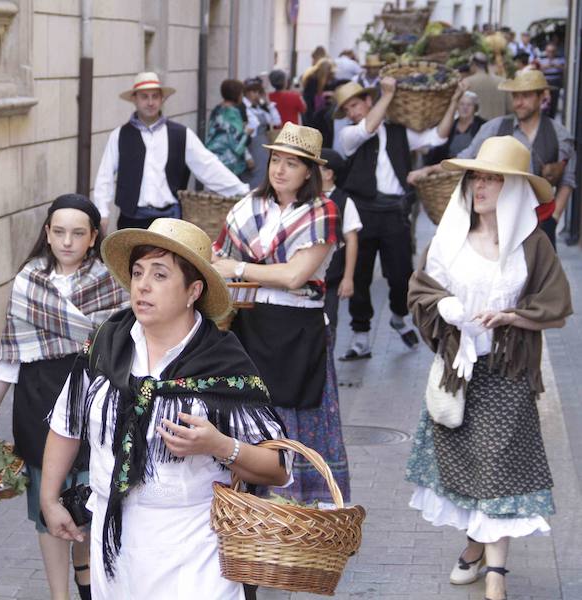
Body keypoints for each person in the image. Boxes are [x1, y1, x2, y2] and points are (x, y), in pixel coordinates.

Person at [41, 218, 292, 599]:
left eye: (160, 275)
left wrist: (220, 445)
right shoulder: (109, 344)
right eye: (138, 272)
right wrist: (48, 498)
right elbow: (67, 423)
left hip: (196, 551)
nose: (142, 285)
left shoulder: (222, 363)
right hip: (116, 547)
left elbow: (278, 467)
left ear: (193, 290)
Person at [405, 136, 572, 600]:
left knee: (501, 467)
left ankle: (496, 573)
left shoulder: (531, 245)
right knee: (470, 468)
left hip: (509, 370)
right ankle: (475, 548)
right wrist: (447, 307)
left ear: (515, 188)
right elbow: (420, 291)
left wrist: (513, 316)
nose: (480, 186)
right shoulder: (450, 236)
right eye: (476, 176)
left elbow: (554, 302)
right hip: (458, 372)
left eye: (493, 178)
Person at [0, 195, 128, 600]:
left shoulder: (111, 282)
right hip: (39, 399)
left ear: (94, 237)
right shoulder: (29, 281)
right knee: (50, 500)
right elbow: (9, 351)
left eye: (78, 233)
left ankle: (88, 579)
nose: (67, 241)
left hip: (94, 397)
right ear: (46, 233)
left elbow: (125, 346)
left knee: (89, 496)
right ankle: (59, 594)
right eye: (58, 232)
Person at [212, 123, 350, 504]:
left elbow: (295, 275)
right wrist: (233, 268)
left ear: (310, 172)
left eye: (292, 163)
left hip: (297, 329)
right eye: (276, 160)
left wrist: (240, 270)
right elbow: (216, 255)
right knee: (250, 412)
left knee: (294, 414)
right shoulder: (248, 206)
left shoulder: (323, 211)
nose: (280, 170)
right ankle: (247, 503)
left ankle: (297, 510)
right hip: (250, 324)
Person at [335, 78, 465, 361]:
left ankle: (398, 316)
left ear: (368, 101)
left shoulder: (398, 131)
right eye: (347, 109)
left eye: (355, 105)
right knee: (360, 274)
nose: (352, 112)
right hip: (362, 211)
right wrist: (388, 95)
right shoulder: (350, 135)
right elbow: (367, 128)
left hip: (394, 211)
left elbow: (437, 137)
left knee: (400, 273)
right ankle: (360, 336)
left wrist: (454, 101)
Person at [92, 72, 248, 231]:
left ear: (162, 99)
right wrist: (102, 212)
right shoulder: (120, 135)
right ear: (135, 99)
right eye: (144, 97)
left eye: (155, 96)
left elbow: (208, 166)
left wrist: (242, 191)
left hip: (170, 220)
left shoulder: (181, 134)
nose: (150, 102)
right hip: (132, 220)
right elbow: (105, 176)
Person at [456, 69, 577, 248]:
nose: (518, 103)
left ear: (542, 96)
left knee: (540, 274)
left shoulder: (559, 135)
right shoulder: (494, 128)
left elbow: (568, 179)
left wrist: (555, 216)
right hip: (499, 224)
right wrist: (431, 169)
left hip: (542, 222)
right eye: (515, 97)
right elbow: (465, 158)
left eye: (525, 96)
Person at [319, 148, 362, 351]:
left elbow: (352, 240)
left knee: (329, 323)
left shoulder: (344, 202)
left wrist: (348, 277)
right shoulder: (303, 198)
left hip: (331, 279)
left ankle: (327, 371)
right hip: (305, 279)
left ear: (328, 174)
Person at [417, 91, 487, 168]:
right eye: (461, 104)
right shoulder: (450, 125)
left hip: (471, 167)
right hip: (449, 168)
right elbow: (440, 150)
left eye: (469, 105)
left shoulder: (483, 126)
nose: (465, 108)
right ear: (457, 107)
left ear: (475, 108)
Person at [205, 79, 253, 179]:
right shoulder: (233, 113)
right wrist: (247, 133)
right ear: (237, 94)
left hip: (213, 159)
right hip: (229, 162)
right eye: (241, 93)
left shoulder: (217, 109)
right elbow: (237, 143)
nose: (242, 96)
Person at [242, 77, 282, 188]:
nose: (256, 95)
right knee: (251, 178)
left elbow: (276, 121)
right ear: (246, 93)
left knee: (264, 176)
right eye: (253, 92)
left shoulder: (260, 107)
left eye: (258, 92)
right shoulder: (243, 109)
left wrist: (268, 103)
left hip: (264, 148)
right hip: (251, 148)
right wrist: (247, 156)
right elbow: (242, 135)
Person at [463, 53, 511, 121]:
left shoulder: (467, 83)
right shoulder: (503, 81)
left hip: (478, 129)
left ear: (473, 65)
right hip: (500, 127)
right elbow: (510, 109)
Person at [537, 42, 565, 118]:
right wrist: (546, 67)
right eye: (549, 51)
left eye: (552, 51)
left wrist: (556, 66)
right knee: (544, 101)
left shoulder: (560, 58)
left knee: (554, 101)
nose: (550, 53)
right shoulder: (541, 58)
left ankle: (552, 118)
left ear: (555, 51)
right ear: (546, 51)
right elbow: (537, 69)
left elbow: (565, 69)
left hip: (556, 81)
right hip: (545, 82)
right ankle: (543, 118)